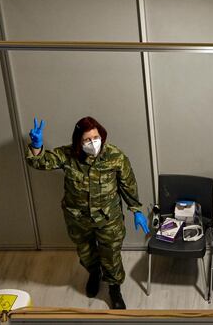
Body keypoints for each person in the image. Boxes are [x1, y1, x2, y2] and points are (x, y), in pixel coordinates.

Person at [25, 116, 150, 309]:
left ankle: (114, 289)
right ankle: (94, 273)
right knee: (86, 252)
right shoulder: (67, 154)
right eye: (87, 139)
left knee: (111, 255)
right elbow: (40, 163)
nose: (93, 143)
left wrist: (136, 210)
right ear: (78, 141)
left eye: (96, 137)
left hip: (108, 219)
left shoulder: (115, 156)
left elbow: (128, 185)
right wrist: (36, 145)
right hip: (78, 218)